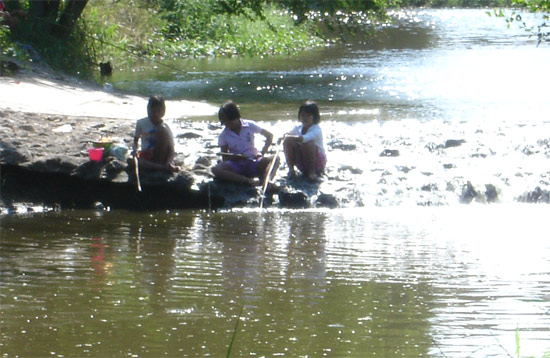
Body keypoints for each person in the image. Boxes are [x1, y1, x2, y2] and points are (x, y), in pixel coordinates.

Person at [211, 100, 274, 185]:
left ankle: (267, 180)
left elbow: (269, 136)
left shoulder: (249, 125)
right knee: (215, 169)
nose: (228, 124)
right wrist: (235, 157)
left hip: (254, 161)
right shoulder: (223, 135)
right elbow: (224, 157)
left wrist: (262, 153)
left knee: (275, 158)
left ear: (236, 116)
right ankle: (247, 181)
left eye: (229, 121)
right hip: (236, 165)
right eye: (225, 122)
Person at [280, 100, 327, 181]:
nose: (305, 118)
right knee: (288, 141)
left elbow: (305, 139)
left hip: (317, 163)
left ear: (314, 116)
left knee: (307, 143)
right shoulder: (298, 127)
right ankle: (291, 170)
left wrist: (289, 137)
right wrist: (285, 136)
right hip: (302, 161)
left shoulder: (316, 129)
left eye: (308, 115)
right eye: (302, 115)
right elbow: (289, 134)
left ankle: (311, 173)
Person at [132, 95, 180, 173]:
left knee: (162, 130)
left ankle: (164, 166)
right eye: (153, 111)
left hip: (160, 156)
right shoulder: (141, 123)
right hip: (146, 155)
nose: (156, 114)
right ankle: (162, 168)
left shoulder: (165, 127)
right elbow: (136, 139)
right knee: (131, 161)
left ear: (163, 112)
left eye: (159, 111)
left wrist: (169, 161)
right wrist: (135, 150)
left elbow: (171, 148)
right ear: (148, 110)